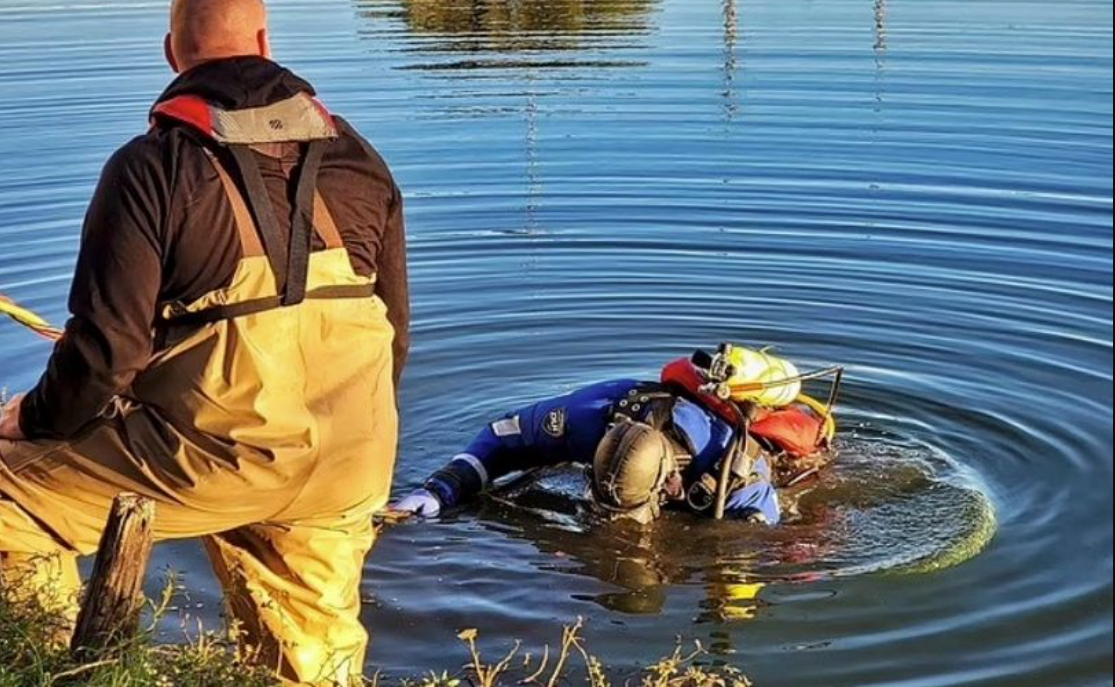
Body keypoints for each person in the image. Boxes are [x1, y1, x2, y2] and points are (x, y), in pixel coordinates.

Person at [0, 0, 407, 683]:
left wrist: (33, 418)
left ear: (170, 53)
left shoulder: (149, 167)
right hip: (353, 455)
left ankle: (50, 665)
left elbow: (106, 356)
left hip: (218, 453)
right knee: (312, 660)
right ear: (265, 40)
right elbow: (393, 338)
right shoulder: (361, 160)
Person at [394, 345, 838, 525]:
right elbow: (503, 436)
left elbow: (756, 544)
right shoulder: (590, 414)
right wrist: (443, 486)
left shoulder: (740, 473)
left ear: (669, 476)